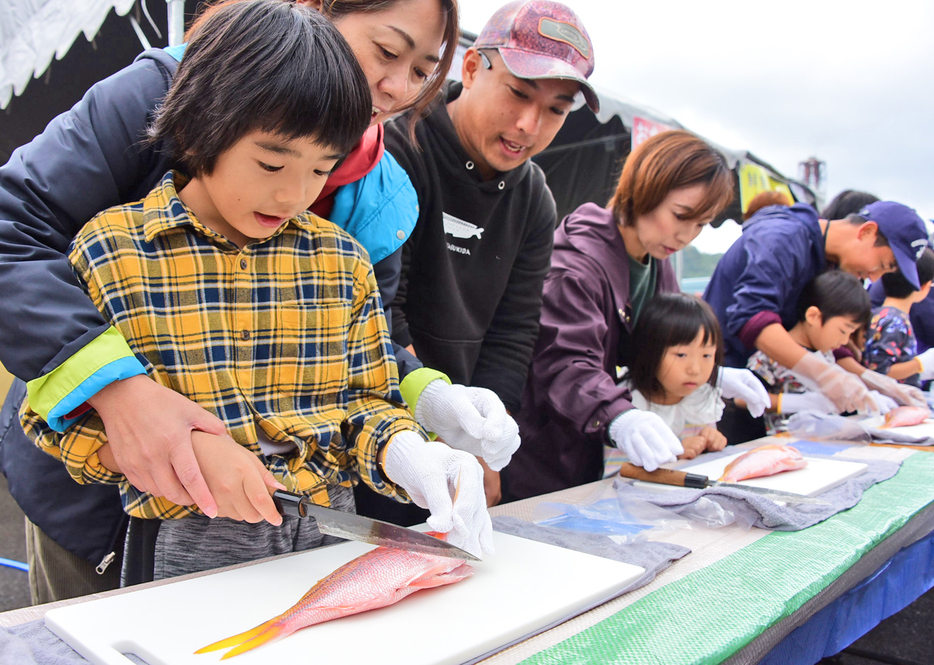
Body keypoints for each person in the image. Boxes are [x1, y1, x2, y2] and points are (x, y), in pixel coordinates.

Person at [0, 0, 515, 601]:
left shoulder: (353, 233)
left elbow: (356, 370)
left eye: (424, 69)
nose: (294, 194)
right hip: (145, 542)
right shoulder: (122, 225)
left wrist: (418, 417)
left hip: (314, 550)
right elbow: (14, 235)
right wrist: (140, 423)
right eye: (386, 51)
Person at [352, 0, 599, 521]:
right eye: (518, 93)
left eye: (556, 109)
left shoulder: (536, 198)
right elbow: (380, 309)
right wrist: (439, 425)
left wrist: (485, 439)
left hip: (460, 431)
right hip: (377, 424)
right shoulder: (399, 150)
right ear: (470, 68)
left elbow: (513, 331)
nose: (529, 125)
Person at [502, 130, 769, 502]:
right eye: (680, 216)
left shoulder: (655, 261)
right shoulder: (576, 266)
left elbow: (665, 339)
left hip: (593, 445)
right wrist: (618, 416)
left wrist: (710, 371)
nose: (686, 235)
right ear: (645, 189)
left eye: (701, 223)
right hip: (544, 446)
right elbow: (566, 361)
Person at [704, 199, 930, 419]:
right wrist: (825, 375)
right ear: (867, 232)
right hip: (722, 388)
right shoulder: (782, 238)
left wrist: (874, 381)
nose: (874, 277)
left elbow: (827, 341)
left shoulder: (828, 261)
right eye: (881, 265)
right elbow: (752, 317)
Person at [747, 271, 873, 435]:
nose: (844, 341)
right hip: (785, 442)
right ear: (813, 316)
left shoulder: (826, 355)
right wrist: (793, 403)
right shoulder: (771, 355)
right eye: (843, 331)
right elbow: (743, 398)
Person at [618, 293, 728, 461]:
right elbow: (614, 476)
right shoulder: (627, 407)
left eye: (706, 355)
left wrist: (711, 440)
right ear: (649, 351)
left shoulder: (700, 397)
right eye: (681, 354)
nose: (695, 369)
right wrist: (674, 454)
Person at [864, 248, 934, 387]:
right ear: (925, 286)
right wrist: (919, 364)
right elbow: (879, 371)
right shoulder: (895, 321)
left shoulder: (881, 314)